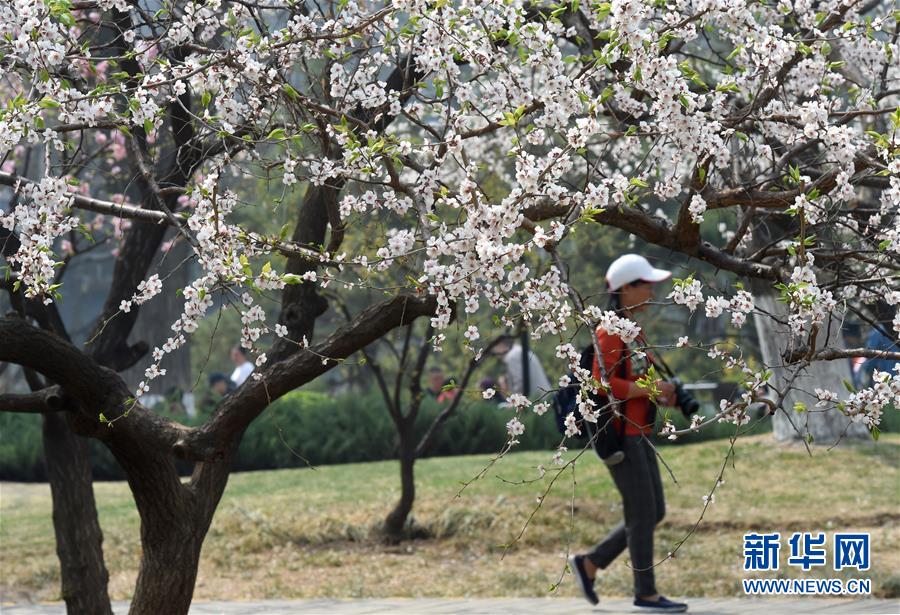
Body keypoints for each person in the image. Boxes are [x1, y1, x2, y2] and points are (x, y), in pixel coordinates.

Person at [569, 253, 689, 613]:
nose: (652, 290)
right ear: (625, 289)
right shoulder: (609, 330)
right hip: (624, 437)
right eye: (645, 284)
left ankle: (589, 564)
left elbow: (634, 382)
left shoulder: (633, 330)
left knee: (652, 513)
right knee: (642, 515)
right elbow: (599, 380)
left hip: (641, 433)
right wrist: (649, 391)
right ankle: (645, 593)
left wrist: (664, 394)